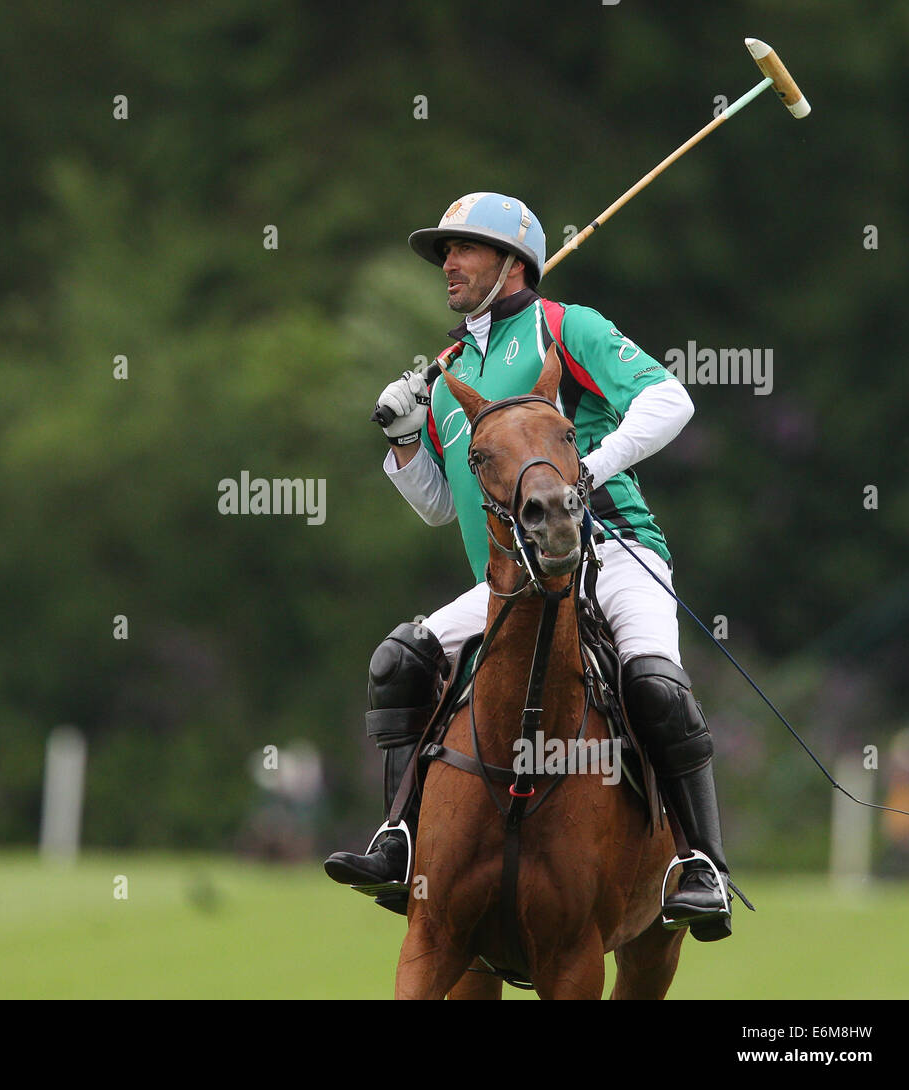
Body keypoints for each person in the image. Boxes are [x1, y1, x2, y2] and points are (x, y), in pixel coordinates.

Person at [323, 192, 733, 939]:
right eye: (444, 252)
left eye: (464, 249)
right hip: (509, 584)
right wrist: (406, 440)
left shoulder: (565, 327)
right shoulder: (448, 373)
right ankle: (399, 839)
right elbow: (439, 507)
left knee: (656, 684)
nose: (448, 264)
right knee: (399, 661)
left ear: (512, 262)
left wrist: (588, 472)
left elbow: (670, 399)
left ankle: (701, 864)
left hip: (610, 547)